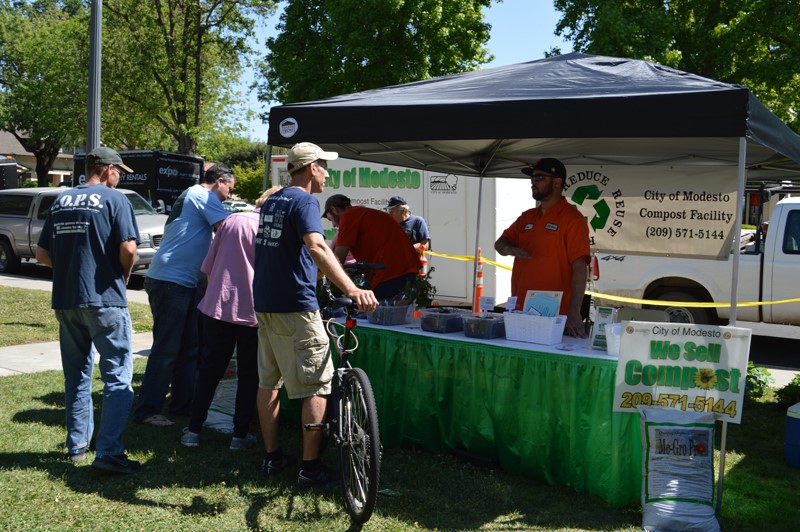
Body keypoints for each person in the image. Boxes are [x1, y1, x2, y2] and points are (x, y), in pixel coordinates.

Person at [253, 142, 378, 488]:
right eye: (324, 167)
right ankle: (310, 468)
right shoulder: (305, 200)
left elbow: (289, 252)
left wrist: (318, 273)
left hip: (265, 302)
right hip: (295, 306)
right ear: (311, 168)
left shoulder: (273, 200)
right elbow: (317, 245)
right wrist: (351, 289)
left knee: (269, 382)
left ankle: (272, 457)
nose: (327, 173)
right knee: (318, 385)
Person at [35, 147, 142, 474]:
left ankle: (77, 446)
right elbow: (129, 247)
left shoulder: (62, 200)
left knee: (77, 376)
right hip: (105, 300)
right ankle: (109, 453)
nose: (120, 177)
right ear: (107, 169)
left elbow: (41, 253)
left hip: (67, 300)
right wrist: (123, 274)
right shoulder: (115, 199)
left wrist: (69, 267)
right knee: (118, 378)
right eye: (119, 172)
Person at [133, 164, 235, 427]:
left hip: (183, 282)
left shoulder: (193, 195)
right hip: (171, 282)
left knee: (190, 348)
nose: (229, 197)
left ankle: (182, 404)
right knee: (166, 350)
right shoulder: (203, 196)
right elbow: (227, 230)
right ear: (219, 181)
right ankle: (147, 411)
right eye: (229, 191)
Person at [180, 187, 280, 451]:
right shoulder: (272, 229)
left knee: (209, 370)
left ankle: (193, 431)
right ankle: (239, 435)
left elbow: (209, 266)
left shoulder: (233, 220)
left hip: (218, 307)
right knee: (250, 375)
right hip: (254, 312)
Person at [494, 157, 590, 338]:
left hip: (554, 316)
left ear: (557, 182)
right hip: (520, 310)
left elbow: (580, 267)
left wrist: (574, 312)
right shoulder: (527, 217)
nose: (533, 182)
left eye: (539, 178)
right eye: (532, 178)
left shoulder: (573, 219)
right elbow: (500, 243)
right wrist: (509, 249)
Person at [323, 194, 421, 301]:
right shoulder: (362, 213)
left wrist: (319, 275)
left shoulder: (348, 216)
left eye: (330, 219)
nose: (333, 225)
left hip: (391, 274)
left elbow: (337, 261)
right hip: (406, 270)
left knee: (379, 315)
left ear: (334, 209)